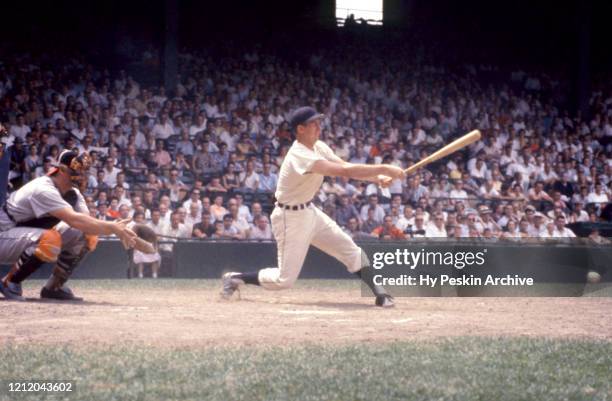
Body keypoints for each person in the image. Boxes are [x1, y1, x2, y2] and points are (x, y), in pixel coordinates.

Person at [221, 106, 404, 307]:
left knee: (349, 249)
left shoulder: (319, 146)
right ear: (300, 129)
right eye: (313, 123)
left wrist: (377, 178)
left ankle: (380, 293)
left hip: (309, 211)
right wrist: (385, 168)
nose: (319, 126)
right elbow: (343, 171)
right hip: (289, 217)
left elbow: (344, 166)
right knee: (285, 280)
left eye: (319, 122)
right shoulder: (299, 154)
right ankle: (235, 278)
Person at [0, 150, 137, 301]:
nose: (82, 176)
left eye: (83, 171)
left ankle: (54, 287)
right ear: (63, 170)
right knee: (50, 238)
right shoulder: (43, 188)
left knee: (88, 235)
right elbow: (75, 220)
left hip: (20, 236)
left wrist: (118, 229)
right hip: (4, 234)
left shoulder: (74, 193)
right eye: (77, 171)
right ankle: (10, 282)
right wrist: (113, 227)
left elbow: (87, 224)